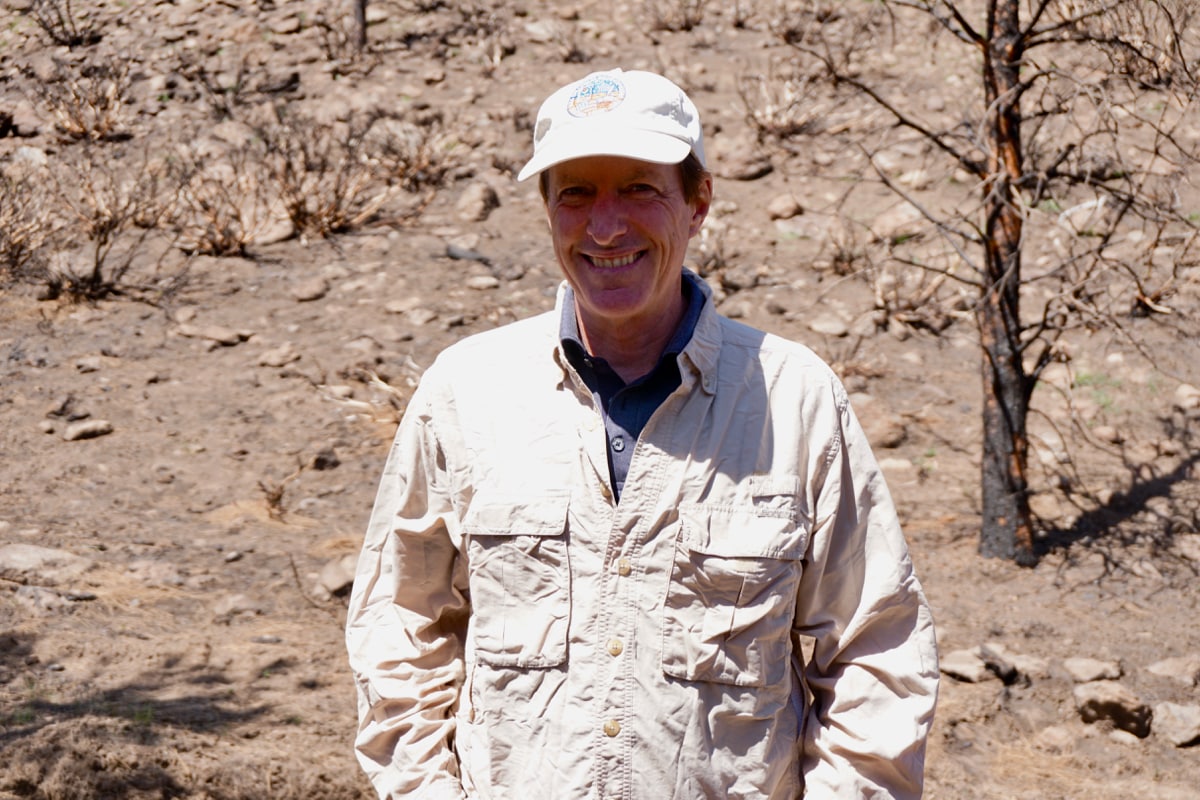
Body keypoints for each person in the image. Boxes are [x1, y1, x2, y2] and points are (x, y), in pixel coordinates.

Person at [346, 68, 939, 800]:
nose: (605, 226)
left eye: (638, 189)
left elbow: (874, 649)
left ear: (697, 205)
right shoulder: (466, 392)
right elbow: (399, 625)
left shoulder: (794, 400)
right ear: (546, 210)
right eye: (576, 193)